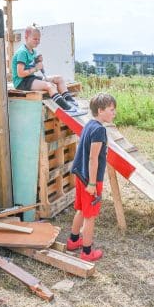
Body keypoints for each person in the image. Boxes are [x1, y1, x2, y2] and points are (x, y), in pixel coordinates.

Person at [66, 93, 117, 262]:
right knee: (90, 216)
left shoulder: (89, 124)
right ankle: (87, 252)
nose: (114, 113)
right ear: (100, 110)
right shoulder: (100, 130)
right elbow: (93, 158)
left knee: (82, 210)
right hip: (90, 180)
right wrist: (93, 184)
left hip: (81, 175)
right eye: (111, 110)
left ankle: (73, 241)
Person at [11, 24, 78, 111]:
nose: (37, 41)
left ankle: (70, 101)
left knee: (59, 78)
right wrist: (36, 68)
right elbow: (20, 74)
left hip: (30, 78)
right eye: (35, 39)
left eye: (39, 39)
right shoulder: (22, 52)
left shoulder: (33, 51)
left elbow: (30, 64)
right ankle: (66, 108)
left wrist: (37, 60)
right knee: (49, 86)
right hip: (21, 82)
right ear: (26, 37)